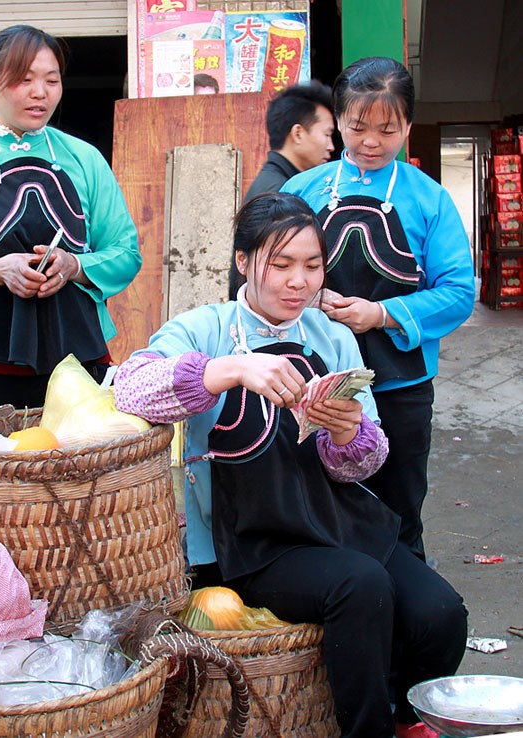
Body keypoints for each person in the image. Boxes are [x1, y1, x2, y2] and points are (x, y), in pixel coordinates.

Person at [114, 193, 467, 738]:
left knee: (441, 614)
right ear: (242, 262)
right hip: (250, 540)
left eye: (312, 266)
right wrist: (228, 370)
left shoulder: (335, 336)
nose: (298, 282)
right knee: (361, 586)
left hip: (336, 519)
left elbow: (367, 463)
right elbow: (130, 392)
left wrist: (347, 431)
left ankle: (404, 721)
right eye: (280, 265)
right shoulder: (203, 329)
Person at [281, 57, 475, 558]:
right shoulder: (301, 190)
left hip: (400, 382)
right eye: (357, 126)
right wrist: (305, 291)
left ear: (408, 126)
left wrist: (382, 314)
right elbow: (262, 271)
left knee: (400, 503)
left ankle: (409, 607)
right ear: (337, 120)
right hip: (310, 377)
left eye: (387, 130)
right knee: (317, 497)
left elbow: (457, 290)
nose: (370, 142)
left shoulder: (429, 199)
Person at [0, 24, 141, 416]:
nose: (40, 93)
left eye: (51, 81)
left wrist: (75, 265)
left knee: (82, 476)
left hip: (78, 364)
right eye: (24, 80)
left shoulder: (85, 158)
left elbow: (126, 252)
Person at [229, 80, 335, 299]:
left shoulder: (279, 183)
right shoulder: (279, 193)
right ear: (297, 133)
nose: (331, 146)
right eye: (327, 134)